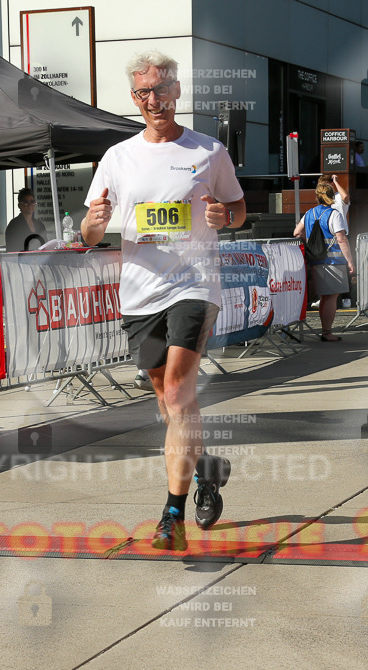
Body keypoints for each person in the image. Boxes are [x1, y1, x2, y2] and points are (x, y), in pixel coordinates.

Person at [81, 50, 246, 551]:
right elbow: (90, 230)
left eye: (160, 89)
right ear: (134, 98)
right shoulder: (118, 156)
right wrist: (94, 223)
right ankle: (203, 473)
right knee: (169, 399)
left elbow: (238, 208)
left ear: (177, 91)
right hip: (139, 293)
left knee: (176, 392)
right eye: (142, 93)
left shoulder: (209, 151)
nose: (153, 100)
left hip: (194, 285)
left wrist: (226, 217)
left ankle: (170, 514)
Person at [294, 175, 355, 341]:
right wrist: (350, 261)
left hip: (316, 260)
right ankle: (327, 332)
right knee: (331, 298)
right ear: (331, 195)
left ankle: (325, 330)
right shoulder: (334, 214)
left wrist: (310, 242)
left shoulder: (309, 213)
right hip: (333, 261)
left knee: (324, 298)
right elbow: (341, 238)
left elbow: (297, 232)